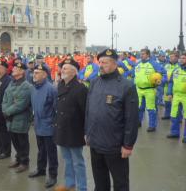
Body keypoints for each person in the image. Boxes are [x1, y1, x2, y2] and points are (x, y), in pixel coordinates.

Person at [85, 49, 139, 191]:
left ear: (115, 64)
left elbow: (132, 119)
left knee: (120, 183)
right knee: (100, 182)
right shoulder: (95, 82)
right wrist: (87, 133)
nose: (101, 65)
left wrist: (128, 145)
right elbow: (88, 111)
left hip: (114, 146)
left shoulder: (127, 86)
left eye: (106, 62)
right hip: (96, 144)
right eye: (100, 62)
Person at [54, 57, 88, 191]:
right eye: (62, 67)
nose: (62, 69)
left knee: (78, 162)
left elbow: (86, 112)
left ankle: (81, 188)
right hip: (62, 128)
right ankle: (69, 185)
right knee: (67, 160)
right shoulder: (61, 85)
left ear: (74, 72)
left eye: (66, 68)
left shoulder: (80, 89)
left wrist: (86, 132)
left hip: (75, 130)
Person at [29, 64, 58, 189]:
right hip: (38, 124)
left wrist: (53, 123)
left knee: (51, 152)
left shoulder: (51, 89)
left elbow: (56, 108)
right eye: (34, 72)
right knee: (41, 150)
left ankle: (52, 175)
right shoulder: (34, 88)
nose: (34, 75)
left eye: (37, 72)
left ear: (45, 74)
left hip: (48, 125)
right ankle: (40, 169)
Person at [2, 62, 32, 173]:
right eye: (14, 67)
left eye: (16, 68)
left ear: (22, 71)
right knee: (14, 140)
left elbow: (21, 104)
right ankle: (18, 159)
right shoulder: (12, 83)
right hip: (10, 118)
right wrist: (5, 109)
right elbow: (4, 98)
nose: (13, 69)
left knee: (22, 142)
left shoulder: (26, 86)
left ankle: (24, 162)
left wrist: (7, 111)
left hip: (20, 119)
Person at [133, 48, 167, 132]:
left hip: (150, 90)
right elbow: (134, 75)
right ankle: (138, 122)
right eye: (141, 54)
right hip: (139, 90)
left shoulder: (154, 64)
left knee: (151, 108)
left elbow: (164, 73)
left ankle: (152, 125)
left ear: (148, 55)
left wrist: (161, 81)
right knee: (139, 107)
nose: (141, 55)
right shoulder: (138, 64)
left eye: (143, 54)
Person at [166, 52, 186, 142]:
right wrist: (169, 93)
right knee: (174, 114)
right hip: (176, 96)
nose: (181, 59)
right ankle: (174, 133)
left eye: (184, 58)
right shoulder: (176, 70)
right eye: (181, 58)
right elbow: (170, 82)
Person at [162, 52, 180, 120]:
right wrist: (163, 80)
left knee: (177, 104)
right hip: (166, 87)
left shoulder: (179, 66)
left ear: (177, 58)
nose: (171, 58)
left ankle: (179, 117)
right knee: (167, 103)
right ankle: (167, 115)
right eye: (170, 56)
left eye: (172, 56)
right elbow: (163, 74)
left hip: (176, 87)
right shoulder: (167, 66)